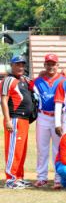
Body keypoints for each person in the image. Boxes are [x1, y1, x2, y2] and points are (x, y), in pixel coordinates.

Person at [1, 55, 33, 189]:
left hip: (24, 119)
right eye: (17, 64)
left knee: (21, 150)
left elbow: (37, 81)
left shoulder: (24, 79)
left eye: (22, 65)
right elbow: (3, 100)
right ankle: (11, 179)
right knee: (14, 150)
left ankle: (19, 177)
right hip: (15, 118)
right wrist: (8, 120)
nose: (20, 67)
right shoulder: (9, 80)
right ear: (12, 66)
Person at [32, 54, 65, 188]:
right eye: (48, 64)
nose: (51, 66)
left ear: (58, 65)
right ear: (44, 65)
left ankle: (58, 178)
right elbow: (26, 84)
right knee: (42, 148)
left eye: (53, 64)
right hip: (43, 116)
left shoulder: (64, 80)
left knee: (58, 149)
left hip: (59, 117)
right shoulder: (37, 81)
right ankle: (42, 177)